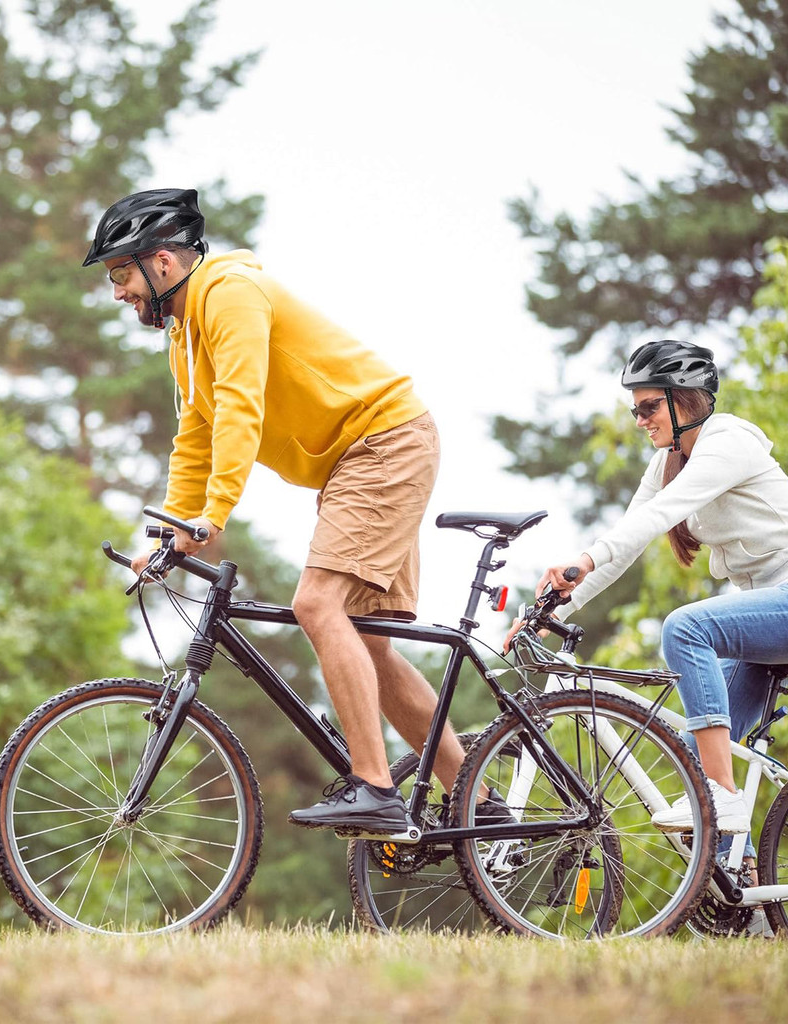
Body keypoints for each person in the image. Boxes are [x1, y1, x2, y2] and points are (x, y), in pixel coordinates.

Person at [83, 187, 474, 838]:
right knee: (367, 646)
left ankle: (376, 788)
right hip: (358, 460)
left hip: (383, 443)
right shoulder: (184, 335)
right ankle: (477, 801)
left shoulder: (229, 294)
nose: (117, 292)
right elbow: (196, 436)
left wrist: (214, 514)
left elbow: (241, 407)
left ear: (162, 262)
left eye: (120, 274)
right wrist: (170, 530)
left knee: (316, 605)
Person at [519, 339, 788, 859]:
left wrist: (581, 561)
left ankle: (718, 797)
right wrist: (553, 610)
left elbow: (659, 516)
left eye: (649, 406)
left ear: (686, 400)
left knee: (685, 628)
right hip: (778, 616)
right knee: (695, 753)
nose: (640, 420)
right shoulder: (667, 462)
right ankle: (738, 881)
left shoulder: (729, 442)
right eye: (634, 410)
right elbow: (628, 539)